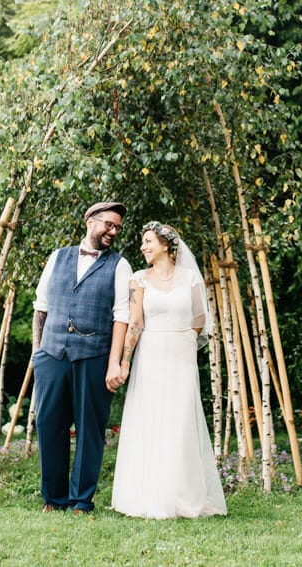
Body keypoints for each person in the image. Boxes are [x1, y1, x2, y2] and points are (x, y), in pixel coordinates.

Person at [108, 221, 227, 519]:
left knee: (180, 422)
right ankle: (147, 495)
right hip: (150, 354)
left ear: (165, 244)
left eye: (148, 241)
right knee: (150, 419)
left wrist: (183, 340)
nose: (143, 247)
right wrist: (124, 362)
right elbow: (135, 324)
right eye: (142, 242)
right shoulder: (138, 280)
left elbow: (200, 318)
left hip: (181, 356)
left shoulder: (190, 278)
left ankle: (182, 496)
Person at [31, 201, 133, 513]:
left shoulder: (119, 265)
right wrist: (38, 352)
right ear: (90, 221)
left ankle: (81, 500)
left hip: (94, 356)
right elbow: (41, 306)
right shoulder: (57, 257)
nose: (113, 231)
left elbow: (122, 316)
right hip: (52, 354)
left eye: (117, 227)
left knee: (90, 429)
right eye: (108, 224)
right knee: (48, 424)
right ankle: (54, 498)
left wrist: (114, 362)